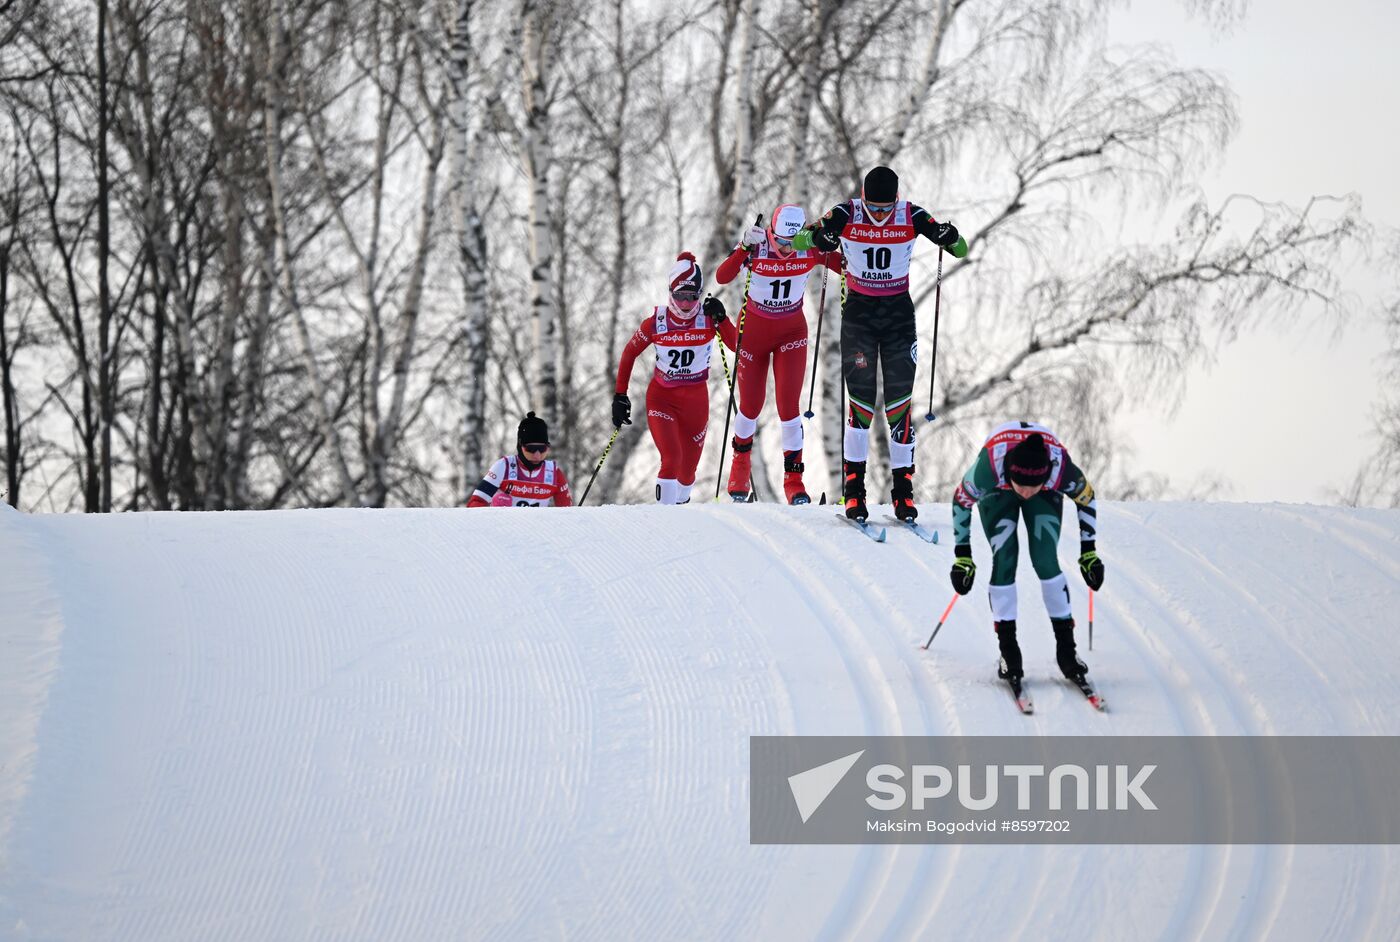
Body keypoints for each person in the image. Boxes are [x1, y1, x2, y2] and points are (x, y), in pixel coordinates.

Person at [791, 165, 968, 522]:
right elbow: (797, 240)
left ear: (897, 201)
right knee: (861, 404)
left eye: (886, 209)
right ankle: (854, 492)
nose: (880, 215)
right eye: (874, 207)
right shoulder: (845, 212)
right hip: (859, 317)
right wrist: (819, 239)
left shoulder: (911, 214)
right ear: (863, 197)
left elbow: (960, 249)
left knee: (900, 406)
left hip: (898, 318)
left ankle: (903, 493)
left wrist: (949, 236)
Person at [946, 421, 1106, 686]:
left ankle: (1067, 651)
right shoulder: (990, 467)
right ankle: (1009, 652)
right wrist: (963, 557)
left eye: (1032, 486)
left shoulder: (1060, 469)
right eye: (1021, 485)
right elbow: (961, 500)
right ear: (1009, 471)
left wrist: (1089, 552)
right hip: (998, 491)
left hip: (1046, 491)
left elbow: (1086, 498)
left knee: (1046, 559)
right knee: (1005, 556)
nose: (1025, 492)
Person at [714, 204, 843, 504]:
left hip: (791, 333)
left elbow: (846, 263)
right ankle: (740, 467)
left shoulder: (807, 248)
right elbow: (722, 276)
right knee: (750, 406)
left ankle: (794, 480)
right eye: (780, 240)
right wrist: (744, 247)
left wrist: (834, 240)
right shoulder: (758, 247)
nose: (786, 247)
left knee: (788, 406)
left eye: (792, 241)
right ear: (771, 231)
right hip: (755, 335)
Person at [613, 252, 737, 504]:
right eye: (680, 295)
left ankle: (680, 515)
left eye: (692, 297)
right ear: (670, 292)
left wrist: (722, 319)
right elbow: (629, 353)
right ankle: (664, 520)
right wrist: (620, 395)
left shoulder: (707, 317)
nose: (685, 304)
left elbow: (736, 344)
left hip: (696, 402)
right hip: (662, 398)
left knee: (688, 472)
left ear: (700, 295)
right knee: (671, 459)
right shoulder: (656, 322)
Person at [466, 411, 572, 507]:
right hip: (506, 527)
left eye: (542, 449)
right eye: (531, 449)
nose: (537, 455)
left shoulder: (554, 472)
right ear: (520, 446)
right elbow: (474, 503)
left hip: (539, 527)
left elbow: (567, 513)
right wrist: (494, 512)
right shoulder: (503, 467)